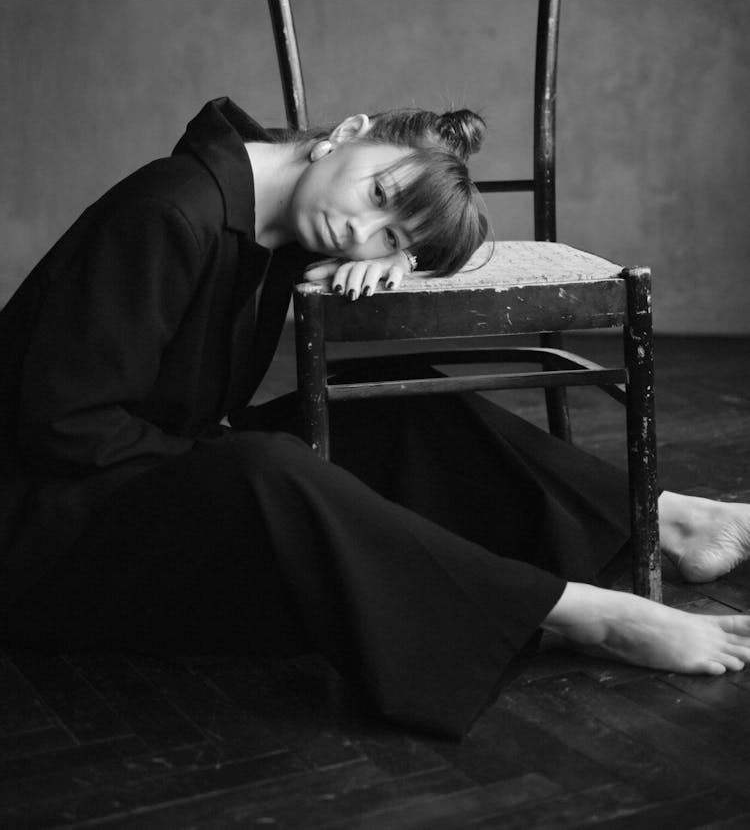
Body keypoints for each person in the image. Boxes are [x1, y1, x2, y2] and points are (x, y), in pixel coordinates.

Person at [1, 94, 750, 740]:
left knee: (393, 401)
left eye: (389, 234)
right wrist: (222, 463)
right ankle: (576, 613)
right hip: (47, 535)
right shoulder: (170, 210)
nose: (361, 232)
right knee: (267, 467)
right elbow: (63, 425)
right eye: (381, 196)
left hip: (129, 480)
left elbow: (385, 238)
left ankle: (660, 518)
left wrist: (399, 256)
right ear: (349, 130)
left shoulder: (272, 220)